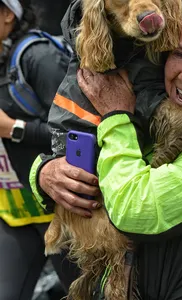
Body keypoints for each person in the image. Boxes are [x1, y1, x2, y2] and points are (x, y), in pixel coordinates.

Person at [30, 0, 182, 299]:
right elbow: (96, 166)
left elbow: (133, 211)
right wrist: (44, 173)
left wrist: (116, 118)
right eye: (179, 54)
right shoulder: (154, 105)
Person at [0, 0, 79, 299]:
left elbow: (77, 132)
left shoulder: (38, 57)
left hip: (60, 213)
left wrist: (14, 128)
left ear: (9, 14)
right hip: (13, 213)